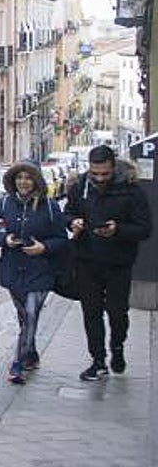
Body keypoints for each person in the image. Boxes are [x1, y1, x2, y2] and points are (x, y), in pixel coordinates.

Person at [64, 145, 153, 381]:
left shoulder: (132, 191)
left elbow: (144, 229)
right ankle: (98, 361)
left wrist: (118, 229)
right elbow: (68, 212)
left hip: (118, 263)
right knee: (91, 313)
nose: (100, 178)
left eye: (105, 173)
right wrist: (73, 222)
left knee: (117, 312)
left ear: (114, 168)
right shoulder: (80, 186)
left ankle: (117, 346)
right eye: (95, 173)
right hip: (87, 260)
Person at [0, 161, 68, 385]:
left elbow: (62, 239)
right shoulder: (3, 203)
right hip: (13, 269)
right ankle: (31, 354)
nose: (23, 182)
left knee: (30, 314)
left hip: (40, 270)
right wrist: (5, 239)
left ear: (36, 181)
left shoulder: (50, 206)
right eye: (19, 177)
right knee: (25, 318)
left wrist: (43, 247)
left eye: (28, 178)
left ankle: (18, 364)